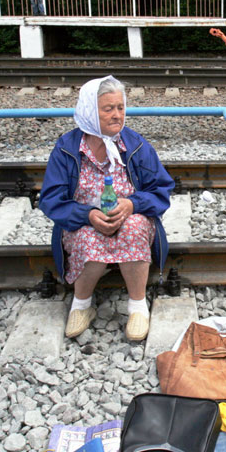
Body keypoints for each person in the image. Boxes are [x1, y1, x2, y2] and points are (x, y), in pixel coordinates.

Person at [39, 76, 174, 341]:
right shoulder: (67, 148)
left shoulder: (135, 145)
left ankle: (138, 307)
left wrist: (132, 204)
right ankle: (81, 305)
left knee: (135, 226)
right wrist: (87, 214)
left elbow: (161, 188)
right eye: (108, 109)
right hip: (83, 221)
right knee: (86, 235)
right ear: (90, 111)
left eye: (120, 107)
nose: (117, 115)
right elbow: (51, 199)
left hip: (129, 218)